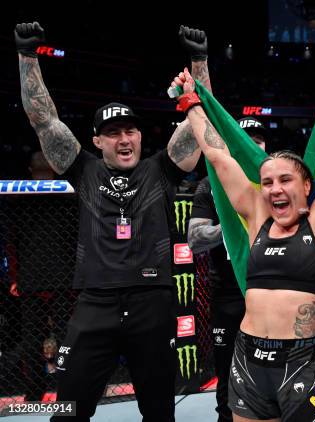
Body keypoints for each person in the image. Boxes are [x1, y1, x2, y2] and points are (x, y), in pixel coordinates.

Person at [172, 30, 315, 422]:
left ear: (305, 186)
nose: (274, 189)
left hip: (302, 362)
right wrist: (191, 103)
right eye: (267, 182)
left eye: (284, 180)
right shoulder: (256, 221)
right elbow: (219, 160)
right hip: (247, 359)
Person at [15, 22, 210, 421]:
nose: (124, 139)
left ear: (140, 135)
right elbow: (43, 120)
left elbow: (196, 124)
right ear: (98, 141)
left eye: (131, 130)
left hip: (151, 302)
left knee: (158, 412)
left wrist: (199, 61)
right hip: (95, 305)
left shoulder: (160, 169)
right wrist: (27, 57)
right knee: (67, 411)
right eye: (113, 133)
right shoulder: (82, 168)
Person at [187, 117, 268, 422]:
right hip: (229, 295)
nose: (253, 146)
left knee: (276, 374)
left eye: (258, 140)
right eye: (245, 140)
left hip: (271, 293)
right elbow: (194, 239)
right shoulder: (211, 185)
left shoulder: (276, 182)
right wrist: (233, 227)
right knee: (227, 376)